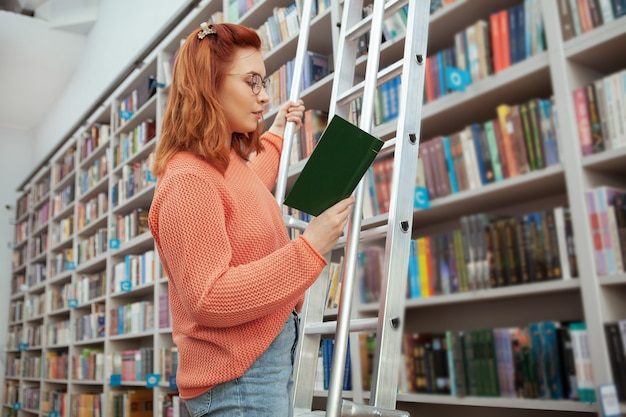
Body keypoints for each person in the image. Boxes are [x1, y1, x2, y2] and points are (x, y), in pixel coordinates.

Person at [148, 21, 354, 417]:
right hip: (239, 380)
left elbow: (248, 194)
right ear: (209, 86)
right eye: (253, 82)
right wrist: (309, 247)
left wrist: (276, 133)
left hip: (260, 368)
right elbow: (208, 297)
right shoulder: (188, 179)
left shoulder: (222, 165)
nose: (264, 96)